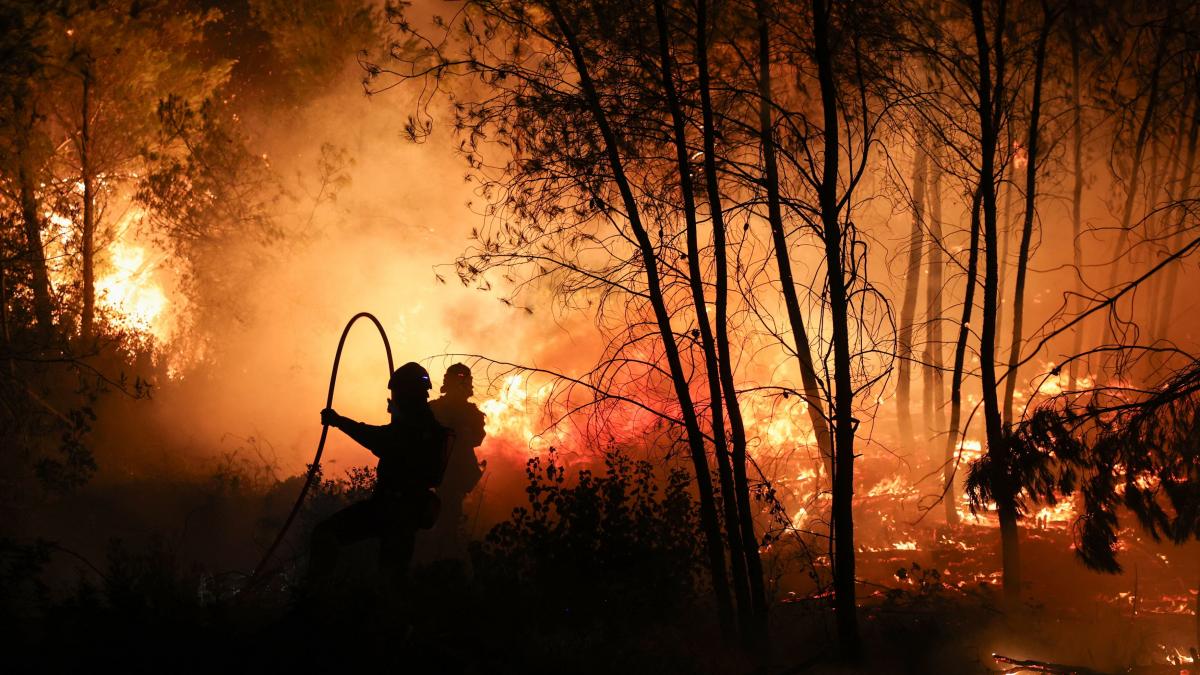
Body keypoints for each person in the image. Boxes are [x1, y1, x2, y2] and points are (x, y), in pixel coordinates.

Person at [307, 362, 450, 592]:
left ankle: (315, 600)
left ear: (406, 393)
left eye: (397, 394)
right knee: (392, 578)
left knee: (326, 535)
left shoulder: (413, 429)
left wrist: (339, 421)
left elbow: (379, 439)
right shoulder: (427, 426)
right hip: (407, 512)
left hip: (393, 509)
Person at [428, 363, 487, 559]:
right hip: (435, 474)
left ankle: (447, 559)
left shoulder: (470, 413)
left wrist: (464, 432)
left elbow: (477, 438)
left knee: (449, 523)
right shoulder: (434, 408)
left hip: (455, 476)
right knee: (437, 524)